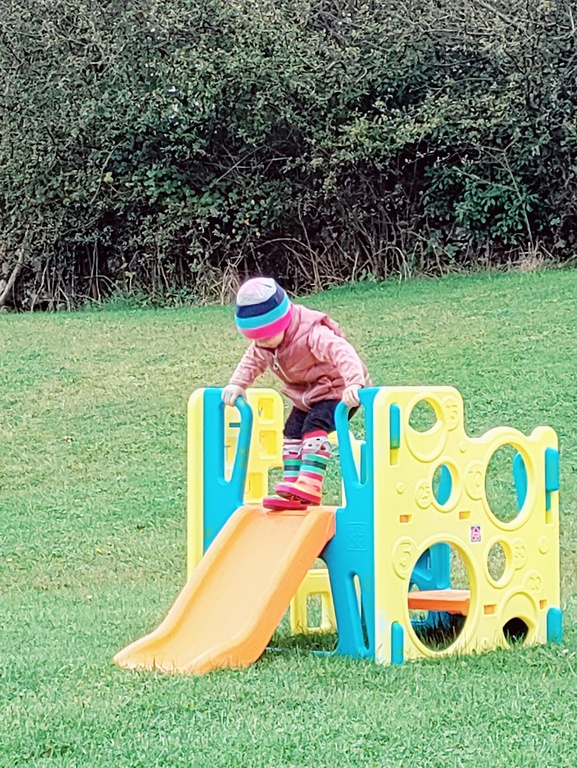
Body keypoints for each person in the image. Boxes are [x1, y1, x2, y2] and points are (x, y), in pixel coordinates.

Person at [222, 277, 371, 509]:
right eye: (257, 340)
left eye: (267, 338)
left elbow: (342, 351)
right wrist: (238, 384)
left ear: (283, 321)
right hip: (309, 396)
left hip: (339, 392)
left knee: (314, 425)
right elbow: (251, 361)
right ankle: (293, 486)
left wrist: (354, 383)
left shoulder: (312, 333)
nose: (263, 345)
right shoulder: (265, 344)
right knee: (291, 431)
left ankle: (310, 484)